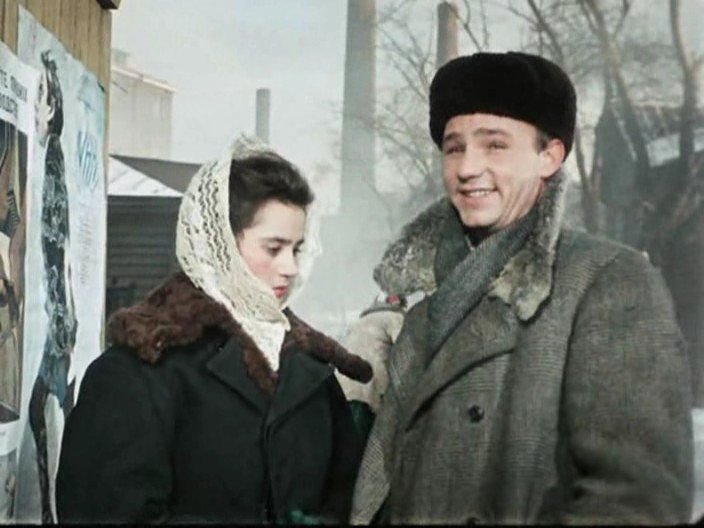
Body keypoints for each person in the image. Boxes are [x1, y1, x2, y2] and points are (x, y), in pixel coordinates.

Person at [350, 52, 694, 525]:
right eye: (454, 148)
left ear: (549, 156)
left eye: (495, 145)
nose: (467, 167)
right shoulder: (423, 313)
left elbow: (635, 501)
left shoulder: (607, 281)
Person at [56, 136, 372, 524]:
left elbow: (346, 501)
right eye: (273, 248)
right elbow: (104, 512)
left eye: (297, 249)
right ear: (219, 242)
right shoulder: (138, 372)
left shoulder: (312, 373)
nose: (290, 268)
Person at [29, 50, 77, 524]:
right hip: (53, 310)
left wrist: (59, 318)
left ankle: (51, 510)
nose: (36, 104)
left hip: (54, 314)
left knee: (44, 411)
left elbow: (56, 245)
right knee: (44, 410)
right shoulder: (45, 156)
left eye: (43, 95)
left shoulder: (52, 159)